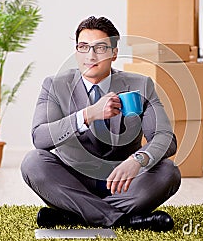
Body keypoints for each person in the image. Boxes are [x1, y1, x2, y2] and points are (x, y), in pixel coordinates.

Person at [21, 16, 181, 232]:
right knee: (33, 162)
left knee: (168, 172)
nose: (91, 56)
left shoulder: (140, 85)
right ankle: (123, 221)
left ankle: (75, 215)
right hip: (73, 182)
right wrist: (87, 115)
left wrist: (138, 160)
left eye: (100, 48)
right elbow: (40, 138)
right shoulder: (55, 85)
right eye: (83, 47)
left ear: (114, 53)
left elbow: (165, 138)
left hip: (124, 182)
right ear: (76, 51)